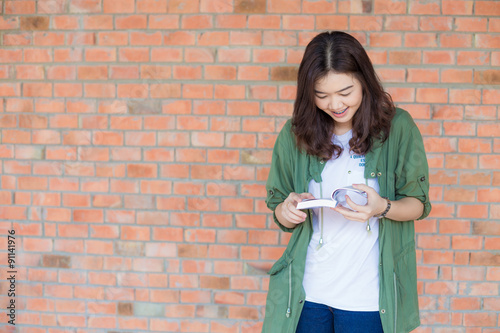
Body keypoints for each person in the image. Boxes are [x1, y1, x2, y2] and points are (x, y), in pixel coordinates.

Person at [263, 31, 431, 333]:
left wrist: (382, 207)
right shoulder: (295, 134)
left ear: (364, 81)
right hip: (307, 295)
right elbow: (279, 207)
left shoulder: (398, 128)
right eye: (322, 95)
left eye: (345, 91)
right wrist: (286, 211)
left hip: (367, 298)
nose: (335, 104)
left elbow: (417, 204)